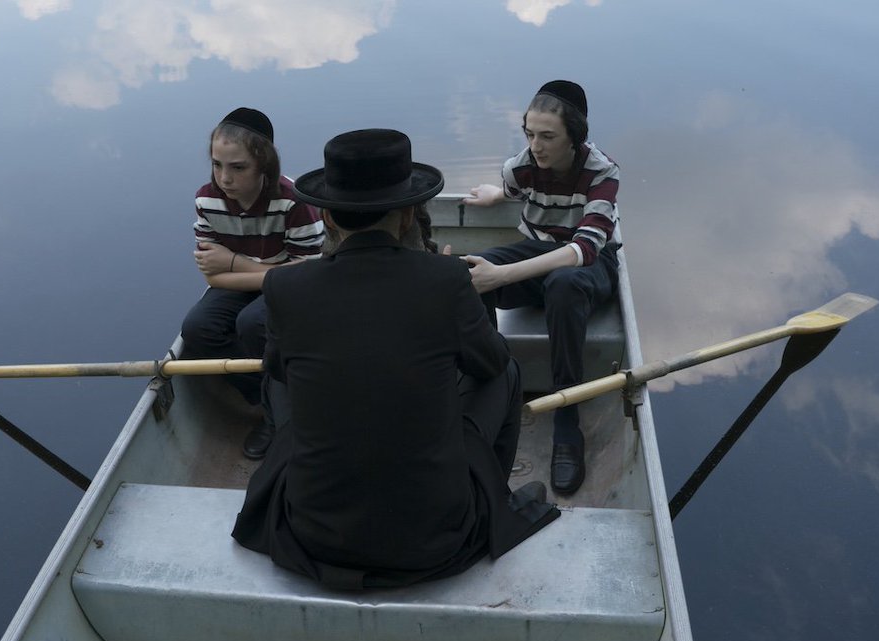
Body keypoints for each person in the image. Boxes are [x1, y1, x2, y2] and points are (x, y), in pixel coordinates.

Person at [231, 129, 559, 589]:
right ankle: (491, 498)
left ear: (327, 217)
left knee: (276, 377)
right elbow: (488, 365)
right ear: (408, 216)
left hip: (314, 533)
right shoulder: (446, 279)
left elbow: (283, 371)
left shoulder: (285, 287)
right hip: (434, 537)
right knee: (505, 372)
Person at [460, 80, 620, 496]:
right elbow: (512, 187)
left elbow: (583, 250)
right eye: (529, 134)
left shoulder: (602, 171)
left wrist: (504, 276)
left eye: (548, 136)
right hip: (539, 256)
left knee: (562, 284)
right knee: (473, 270)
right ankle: (489, 389)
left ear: (575, 137)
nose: (536, 146)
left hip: (589, 266)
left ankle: (567, 417)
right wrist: (497, 195)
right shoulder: (521, 166)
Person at [181, 107, 325, 459]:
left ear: (264, 165)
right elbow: (210, 275)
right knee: (197, 330)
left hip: (290, 289)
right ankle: (270, 398)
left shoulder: (293, 202)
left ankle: (280, 416)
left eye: (238, 167)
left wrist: (233, 262)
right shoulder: (207, 200)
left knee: (253, 323)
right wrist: (270, 271)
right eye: (217, 165)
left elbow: (307, 276)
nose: (225, 178)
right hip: (248, 282)